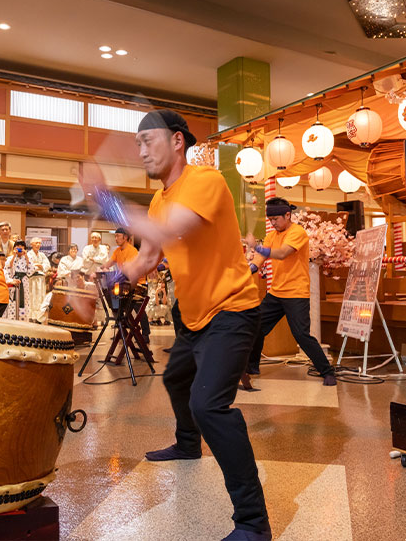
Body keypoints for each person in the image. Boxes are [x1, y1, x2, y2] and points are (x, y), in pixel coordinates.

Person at [105, 109, 270, 540]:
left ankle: (254, 523)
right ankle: (187, 444)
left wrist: (106, 200)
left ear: (178, 141)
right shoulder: (160, 198)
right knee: (178, 378)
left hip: (232, 309)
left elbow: (174, 230)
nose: (141, 151)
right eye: (137, 144)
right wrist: (104, 282)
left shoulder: (205, 182)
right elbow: (146, 259)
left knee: (208, 405)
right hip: (193, 315)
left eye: (149, 141)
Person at [245, 197, 337, 386]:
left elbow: (282, 253)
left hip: (296, 293)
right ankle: (252, 366)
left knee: (301, 335)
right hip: (276, 293)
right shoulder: (272, 235)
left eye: (276, 219)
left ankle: (327, 372)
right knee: (255, 327)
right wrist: (250, 270)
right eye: (270, 219)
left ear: (288, 215)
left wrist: (255, 245)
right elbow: (261, 257)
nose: (272, 223)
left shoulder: (297, 232)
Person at [4, 240, 34, 320]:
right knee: (13, 299)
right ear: (14, 248)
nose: (19, 248)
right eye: (17, 246)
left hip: (24, 281)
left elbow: (31, 270)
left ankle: (23, 319)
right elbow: (8, 268)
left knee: (25, 299)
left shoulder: (28, 257)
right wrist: (14, 256)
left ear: (24, 248)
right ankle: (12, 319)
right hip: (14, 280)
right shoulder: (11, 258)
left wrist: (26, 255)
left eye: (21, 247)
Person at [27, 237, 49, 322]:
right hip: (32, 278)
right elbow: (30, 266)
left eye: (39, 243)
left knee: (40, 297)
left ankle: (39, 317)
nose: (38, 245)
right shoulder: (28, 254)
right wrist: (38, 266)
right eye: (36, 243)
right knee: (32, 297)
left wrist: (41, 266)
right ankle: (31, 316)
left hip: (41, 279)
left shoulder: (42, 255)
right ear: (31, 244)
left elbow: (47, 265)